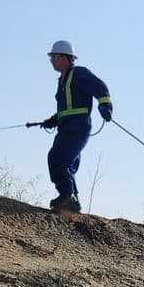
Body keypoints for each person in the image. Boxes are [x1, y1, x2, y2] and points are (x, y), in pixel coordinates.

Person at [28, 40, 112, 213]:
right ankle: (72, 205)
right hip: (67, 126)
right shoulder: (62, 80)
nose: (52, 60)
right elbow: (68, 108)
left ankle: (67, 195)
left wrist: (105, 106)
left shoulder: (78, 73)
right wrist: (53, 120)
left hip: (78, 126)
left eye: (54, 57)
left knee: (57, 158)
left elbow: (100, 87)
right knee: (66, 164)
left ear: (65, 58)